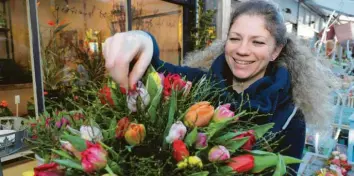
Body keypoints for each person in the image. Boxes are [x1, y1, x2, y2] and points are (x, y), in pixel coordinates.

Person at [103, 0, 337, 173]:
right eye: (235, 38)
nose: (242, 50)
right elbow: (154, 66)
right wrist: (141, 39)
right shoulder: (198, 83)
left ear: (275, 51)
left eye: (257, 42)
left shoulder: (290, 117)